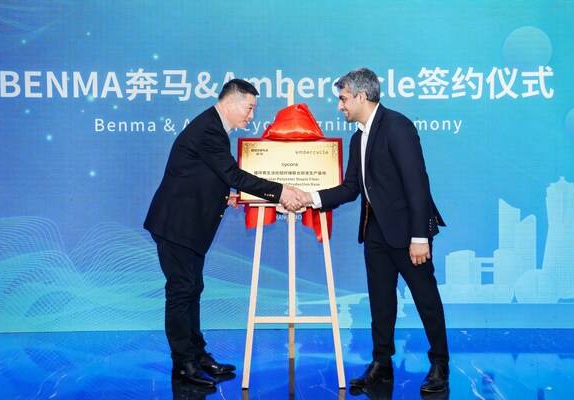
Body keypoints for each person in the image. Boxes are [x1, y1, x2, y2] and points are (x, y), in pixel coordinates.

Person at [296, 68, 449, 394]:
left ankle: (440, 364)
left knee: (426, 300)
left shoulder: (397, 126)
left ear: (362, 96)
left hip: (409, 233)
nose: (340, 106)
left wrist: (420, 237)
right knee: (380, 302)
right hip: (376, 232)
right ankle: (381, 364)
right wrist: (310, 198)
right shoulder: (358, 137)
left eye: (343, 99)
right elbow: (351, 188)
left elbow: (417, 184)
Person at [144, 79, 302, 387]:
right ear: (231, 101)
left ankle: (197, 355)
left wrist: (227, 196)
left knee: (192, 288)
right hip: (175, 226)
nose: (251, 116)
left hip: (187, 227)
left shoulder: (212, 129)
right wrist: (281, 190)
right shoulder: (209, 130)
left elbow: (209, 175)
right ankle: (183, 365)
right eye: (250, 107)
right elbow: (232, 174)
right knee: (181, 291)